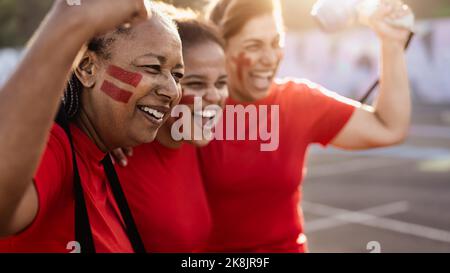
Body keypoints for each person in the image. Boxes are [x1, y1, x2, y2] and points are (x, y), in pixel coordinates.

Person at [197, 0, 412, 252]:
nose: (269, 58)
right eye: (253, 46)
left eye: (276, 43)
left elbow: (389, 127)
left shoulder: (297, 102)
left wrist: (393, 44)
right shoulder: (192, 107)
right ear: (221, 49)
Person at [0, 0, 184, 253]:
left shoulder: (103, 155)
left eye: (177, 75)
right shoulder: (55, 150)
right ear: (87, 67)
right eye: (152, 67)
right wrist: (71, 20)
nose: (172, 90)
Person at [113, 8, 228, 253]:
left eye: (221, 83)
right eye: (195, 83)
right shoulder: (117, 154)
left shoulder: (193, 140)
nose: (215, 96)